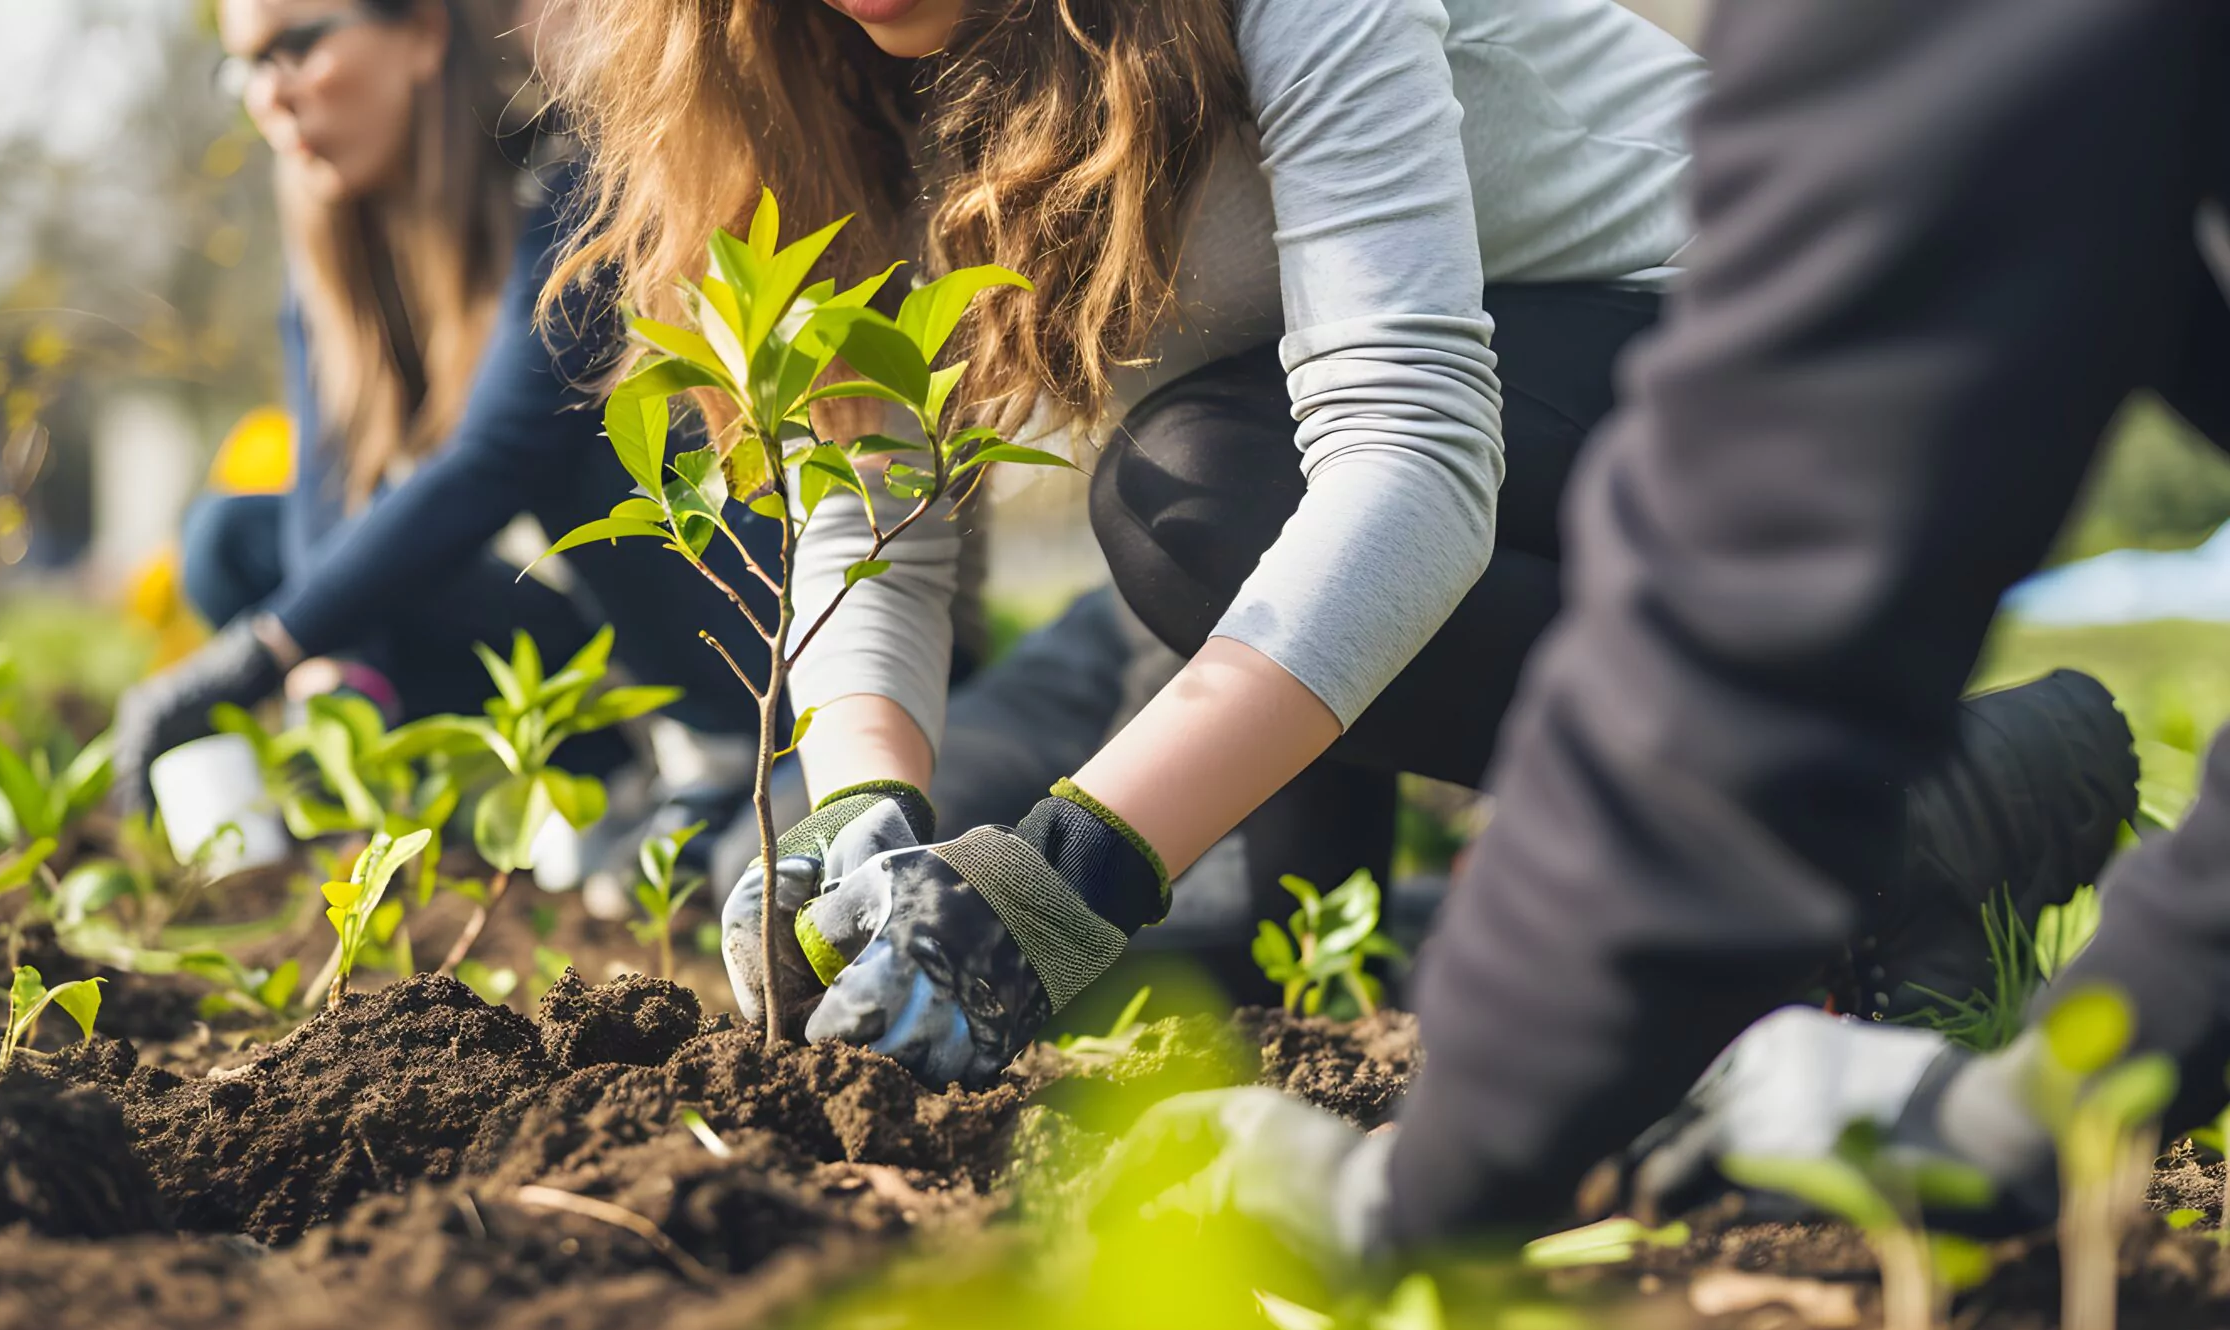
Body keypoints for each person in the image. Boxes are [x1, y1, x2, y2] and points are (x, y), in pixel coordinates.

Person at [546, 0, 2141, 1080]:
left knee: (1185, 500)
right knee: (1256, 963)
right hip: (1409, 462)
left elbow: (1409, 463)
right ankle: (1823, 883)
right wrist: (862, 813)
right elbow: (867, 497)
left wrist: (1066, 869)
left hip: (1806, 373)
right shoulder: (805, 69)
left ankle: (1890, 811)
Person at [1102, 0, 2230, 1262]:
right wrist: (2057, 1106)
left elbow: (1769, 576)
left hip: (1633, 346)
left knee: (1198, 484)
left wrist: (1440, 1176)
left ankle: (1919, 823)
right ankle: (1911, 835)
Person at [110, 0, 781, 824]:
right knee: (229, 541)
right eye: (246, 66)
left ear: (424, 33)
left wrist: (263, 651)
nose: (267, 96)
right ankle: (580, 779)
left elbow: (498, 458)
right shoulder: (330, 248)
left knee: (576, 442)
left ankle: (714, 756)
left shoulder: (577, 182)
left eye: (299, 45)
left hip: (716, 625)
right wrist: (330, 667)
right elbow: (329, 484)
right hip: (571, 637)